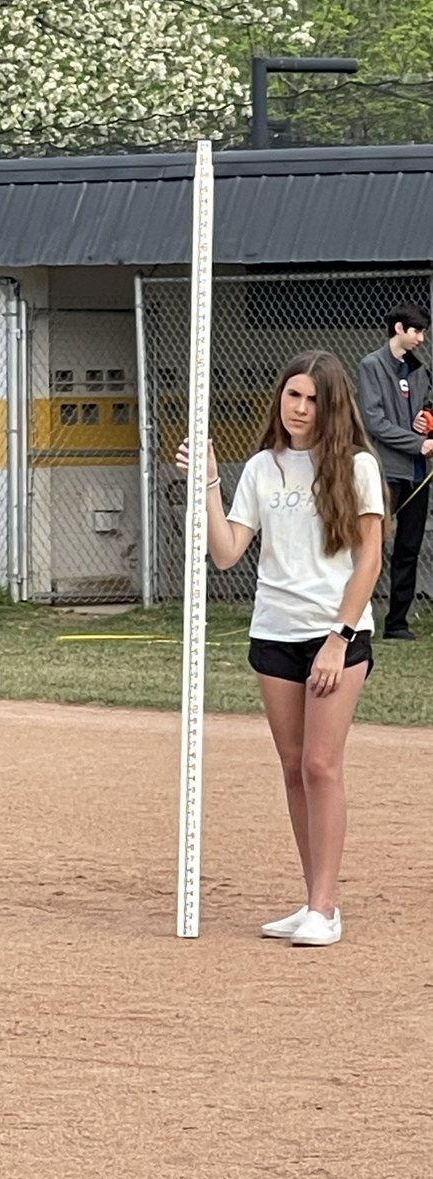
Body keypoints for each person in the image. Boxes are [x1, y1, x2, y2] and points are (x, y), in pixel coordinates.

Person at [176, 350, 386, 947]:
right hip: (274, 632)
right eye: (293, 395)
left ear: (331, 405)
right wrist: (208, 484)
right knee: (294, 767)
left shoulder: (357, 466)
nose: (300, 408)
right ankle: (314, 900)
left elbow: (369, 561)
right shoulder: (261, 468)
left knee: (321, 765)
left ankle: (325, 906)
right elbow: (226, 553)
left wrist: (338, 639)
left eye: (313, 399)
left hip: (335, 635)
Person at [357, 303, 432, 640]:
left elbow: (422, 409)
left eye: (423, 332)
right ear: (399, 328)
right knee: (372, 546)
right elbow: (375, 422)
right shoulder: (371, 365)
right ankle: (358, 617)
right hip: (386, 472)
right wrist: (417, 444)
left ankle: (397, 623)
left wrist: (424, 421)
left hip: (417, 474)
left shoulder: (419, 370)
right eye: (417, 331)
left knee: (408, 548)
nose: (421, 338)